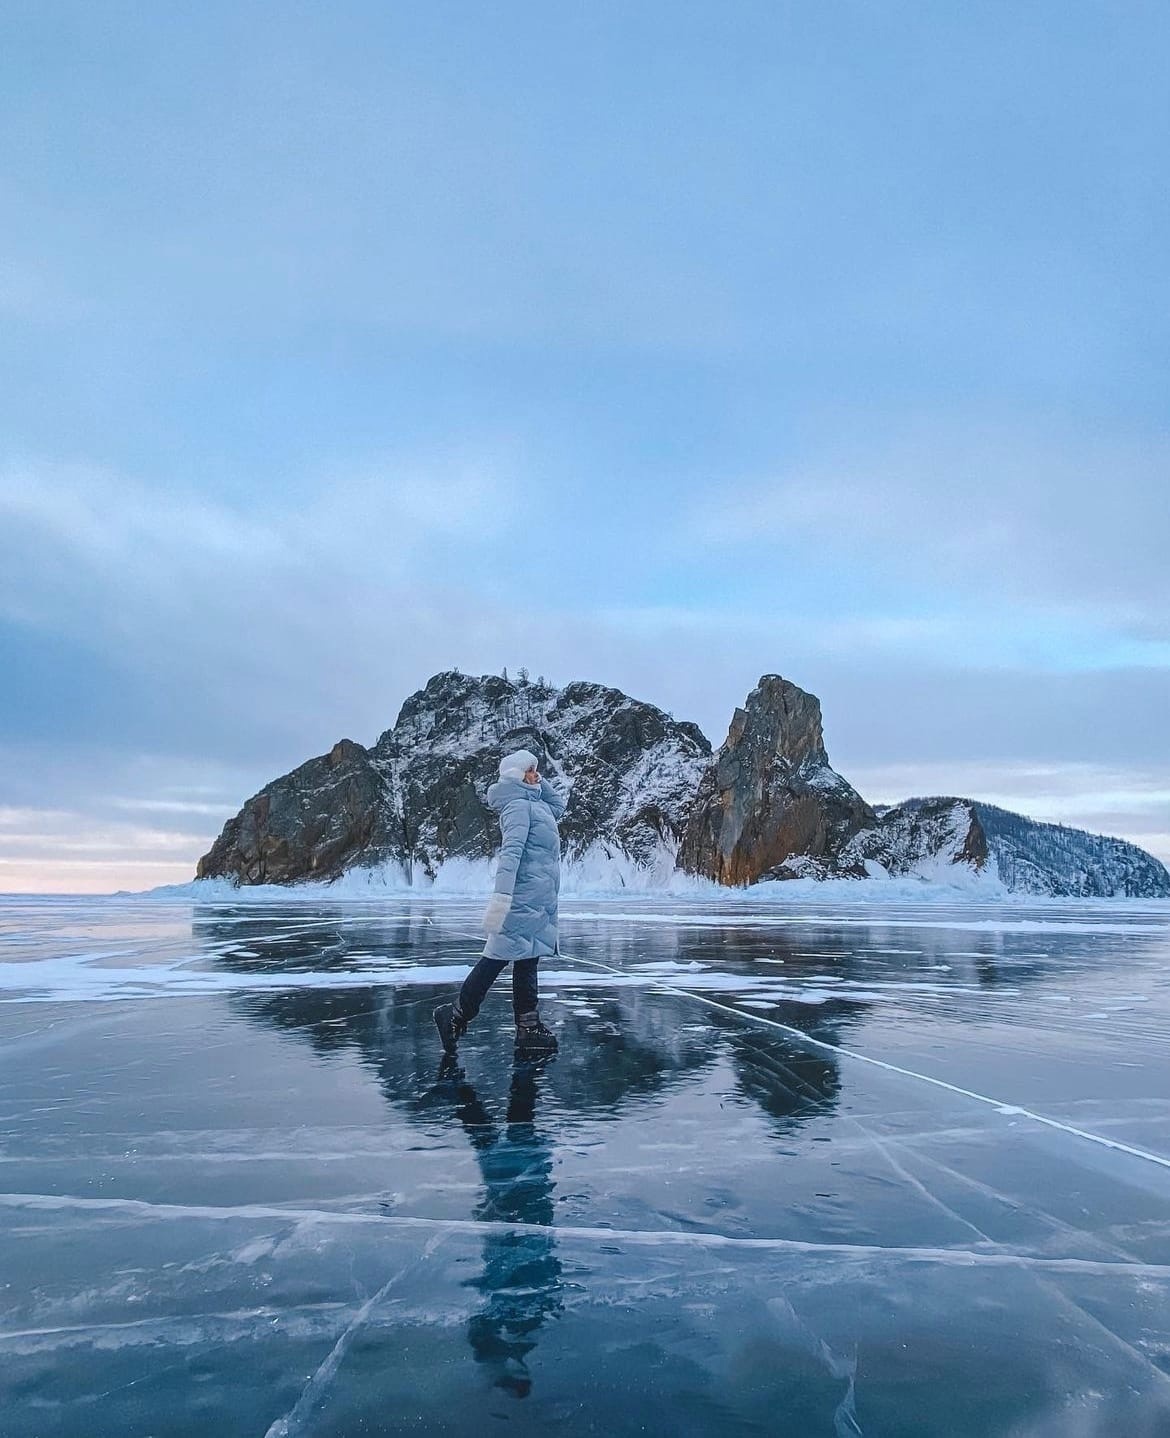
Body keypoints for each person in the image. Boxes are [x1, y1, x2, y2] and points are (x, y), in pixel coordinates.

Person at [434, 748, 566, 1058]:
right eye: (531, 771)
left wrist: (536, 781)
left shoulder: (537, 804)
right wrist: (502, 898)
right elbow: (510, 856)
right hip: (521, 898)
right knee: (497, 957)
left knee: (527, 958)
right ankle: (454, 1016)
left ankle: (527, 1027)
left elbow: (558, 806)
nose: (537, 775)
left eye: (536, 770)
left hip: (538, 898)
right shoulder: (518, 806)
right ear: (517, 777)